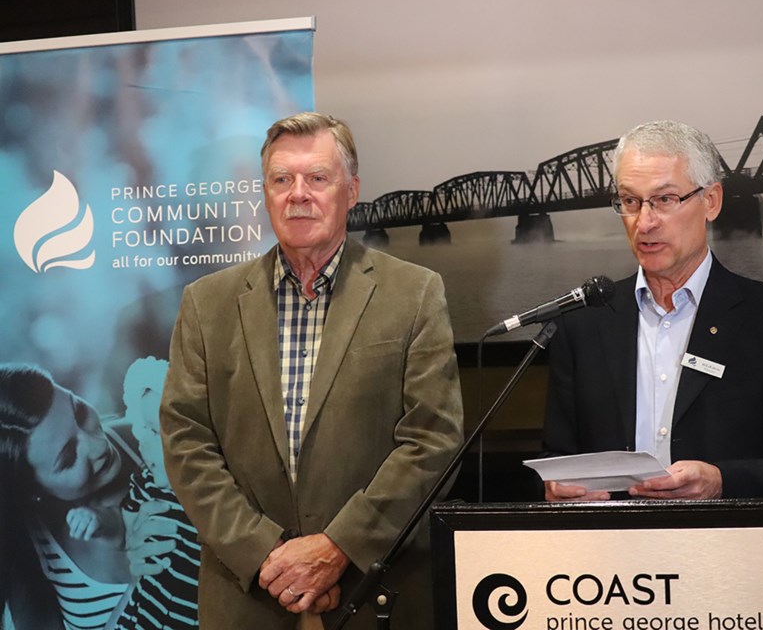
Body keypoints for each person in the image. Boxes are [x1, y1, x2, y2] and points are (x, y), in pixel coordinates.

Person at [160, 112, 464, 629]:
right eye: (282, 179)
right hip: (248, 599)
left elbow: (433, 440)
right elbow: (186, 442)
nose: (298, 193)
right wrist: (267, 556)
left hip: (373, 595)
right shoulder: (206, 303)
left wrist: (338, 547)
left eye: (317, 178)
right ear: (266, 192)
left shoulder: (413, 294)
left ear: (352, 190)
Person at [541, 120, 763, 507]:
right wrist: (559, 487)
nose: (644, 222)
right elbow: (558, 459)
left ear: (711, 202)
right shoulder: (583, 324)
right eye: (630, 201)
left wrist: (722, 481)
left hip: (733, 555)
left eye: (665, 200)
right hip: (615, 559)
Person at [0, 363, 141, 630]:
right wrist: (139, 588)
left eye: (79, 412)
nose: (99, 446)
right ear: (33, 492)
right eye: (68, 457)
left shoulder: (154, 438)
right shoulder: (30, 546)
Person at [114, 356, 200, 629]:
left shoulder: (209, 502)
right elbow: (127, 530)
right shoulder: (147, 485)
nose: (143, 444)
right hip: (143, 614)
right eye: (145, 430)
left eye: (157, 432)